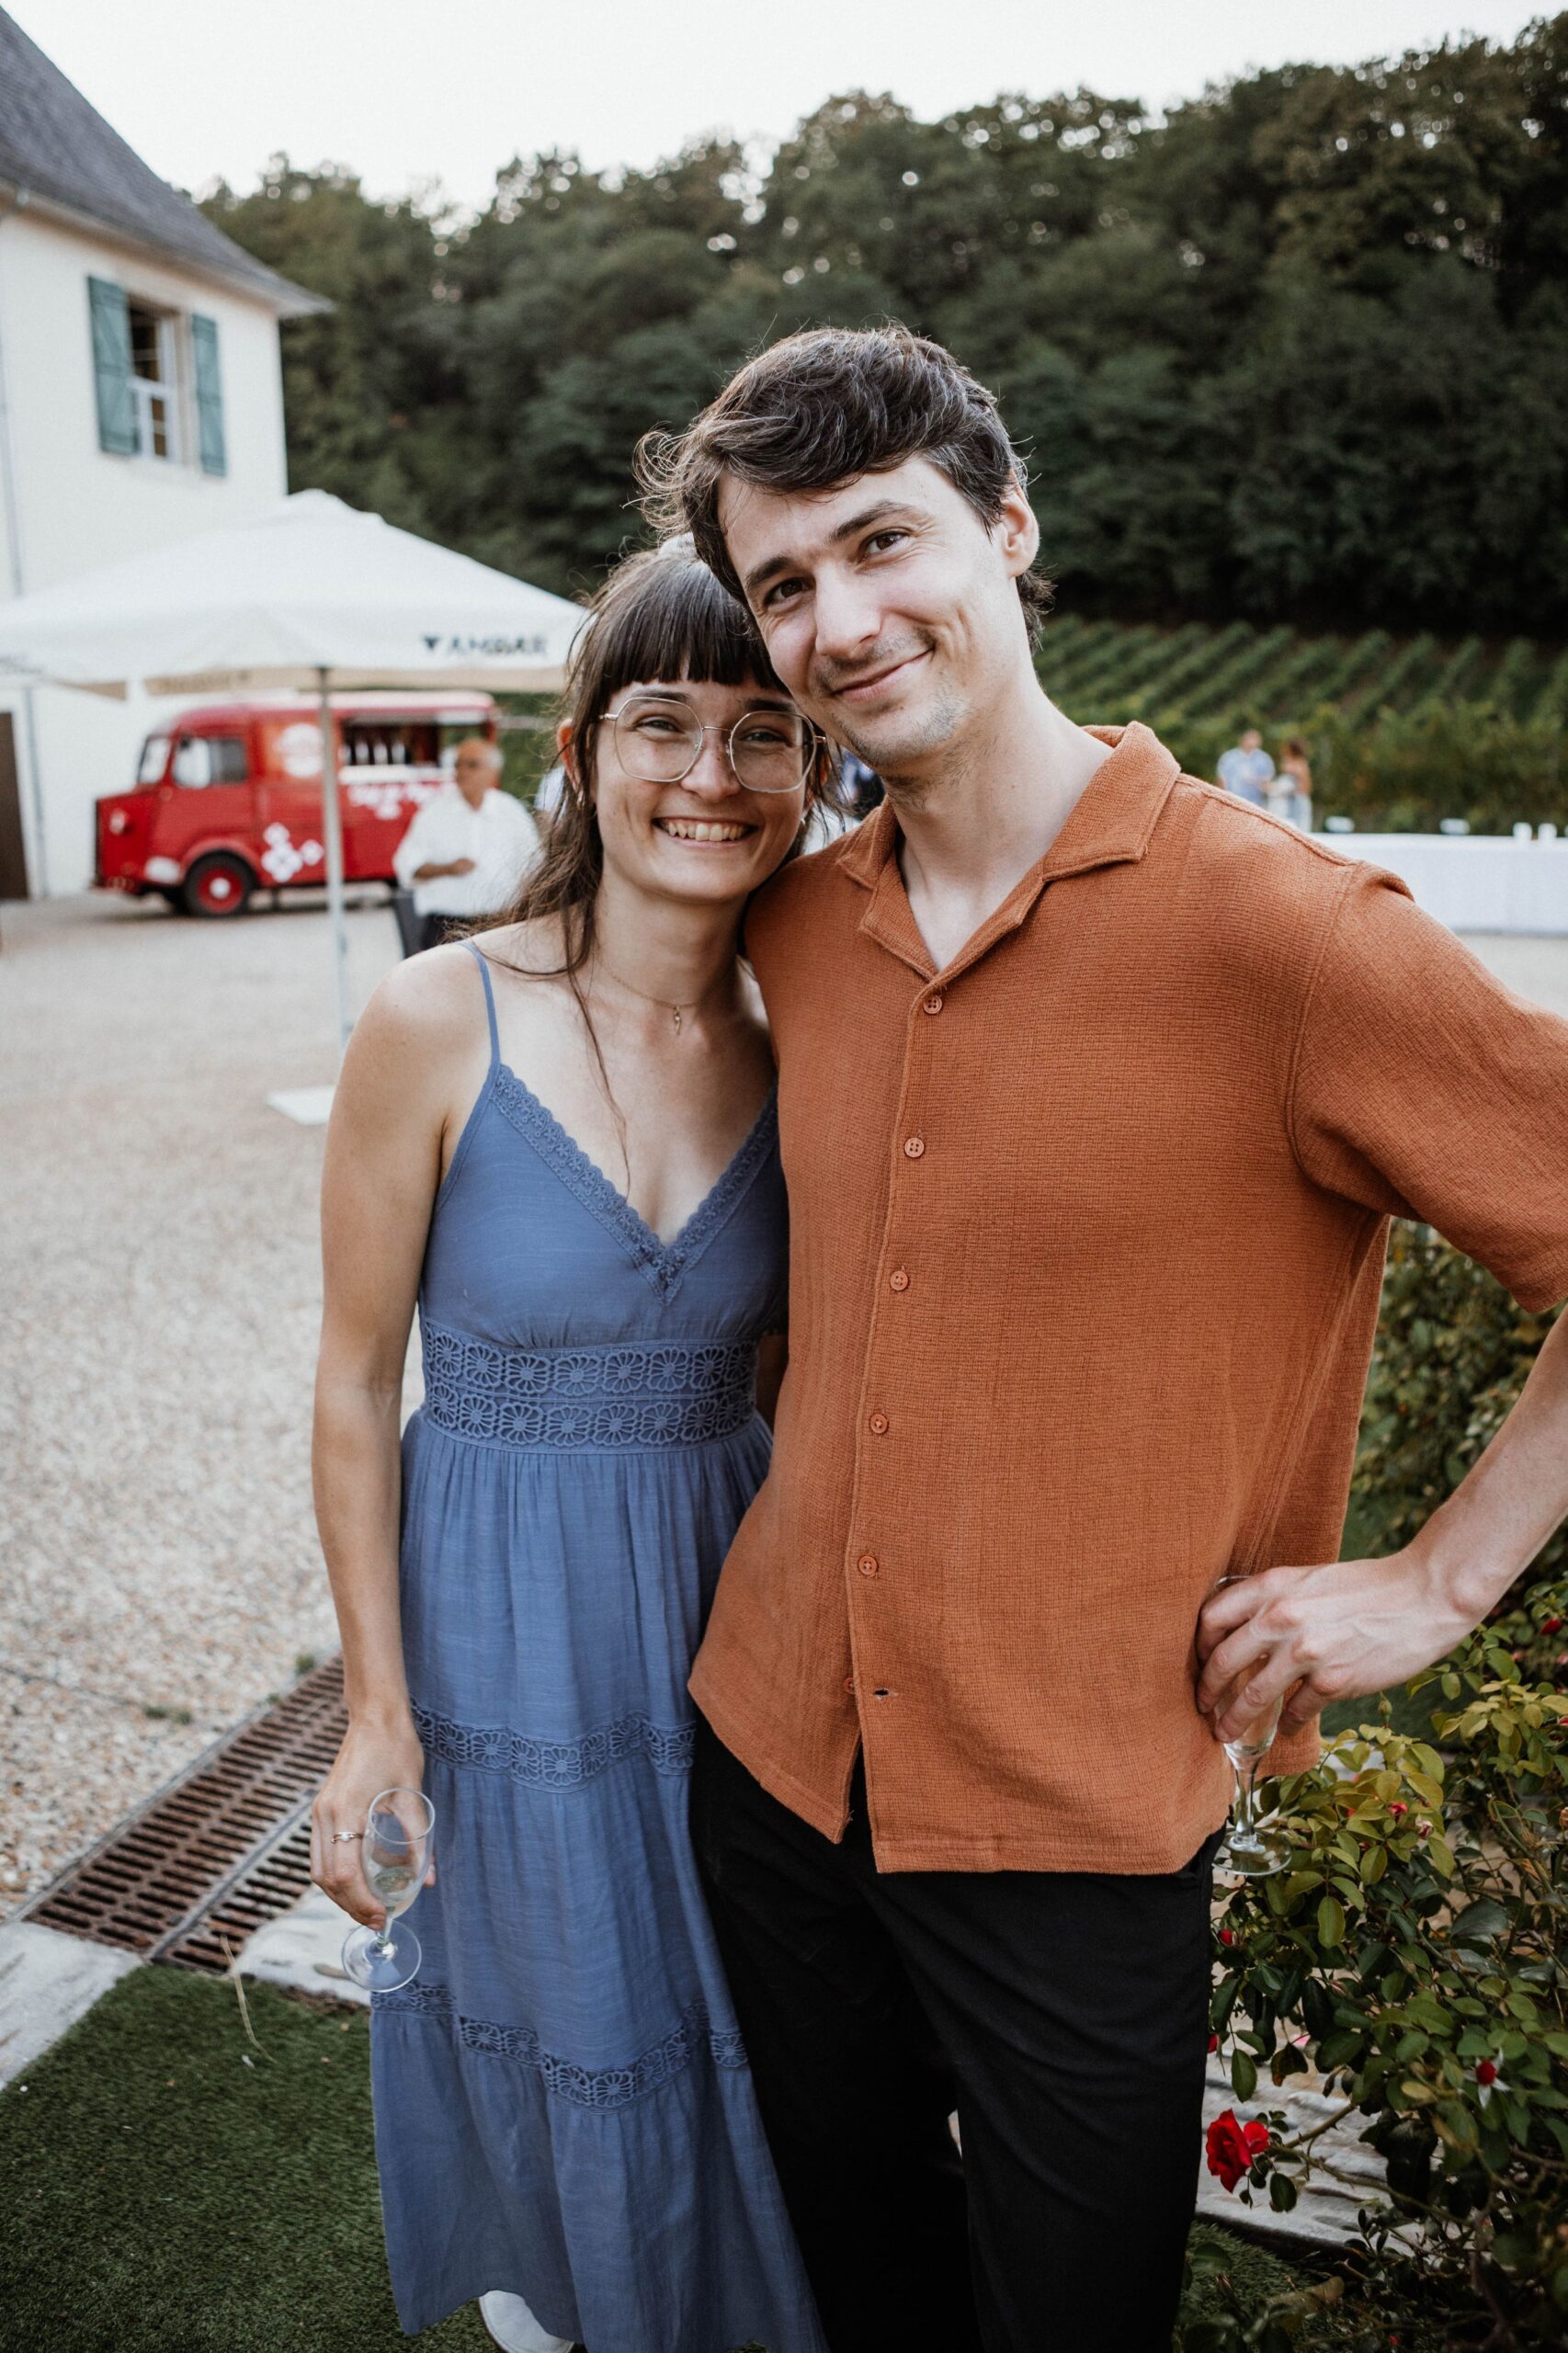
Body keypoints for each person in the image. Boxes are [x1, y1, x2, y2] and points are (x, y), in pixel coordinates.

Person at [640, 323, 1568, 2353]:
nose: (836, 622)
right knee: (860, 2298)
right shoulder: (794, 927)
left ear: (1008, 531)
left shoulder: (1288, 929)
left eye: (882, 543)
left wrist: (1437, 1579)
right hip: (771, 1765)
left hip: (1076, 1823)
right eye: (783, 583)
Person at [309, 545, 831, 2353]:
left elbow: (796, 1363)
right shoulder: (435, 1016)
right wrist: (374, 1711)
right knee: (568, 2009)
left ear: (810, 767)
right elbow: (352, 1381)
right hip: (504, 1627)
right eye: (662, 722)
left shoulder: (811, 1041)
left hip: (727, 1604)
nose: (711, 774)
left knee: (746, 2016)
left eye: (762, 731)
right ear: (581, 750)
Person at [392, 736, 540, 952]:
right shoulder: (433, 813)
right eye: (457, 764)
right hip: (445, 929)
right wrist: (447, 869)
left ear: (493, 772)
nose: (462, 772)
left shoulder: (511, 812)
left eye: (472, 765)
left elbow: (536, 869)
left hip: (500, 925)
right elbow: (406, 867)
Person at [1216, 725, 1274, 806]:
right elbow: (1221, 781)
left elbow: (1267, 784)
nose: (1252, 742)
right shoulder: (1228, 757)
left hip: (1255, 804)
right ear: (1242, 740)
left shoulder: (1264, 759)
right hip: (1232, 802)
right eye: (1250, 738)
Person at [1268, 735, 1313, 830]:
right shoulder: (1288, 761)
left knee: (1299, 827)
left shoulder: (1300, 764)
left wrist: (1292, 790)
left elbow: (1306, 787)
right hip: (1287, 802)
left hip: (1297, 801)